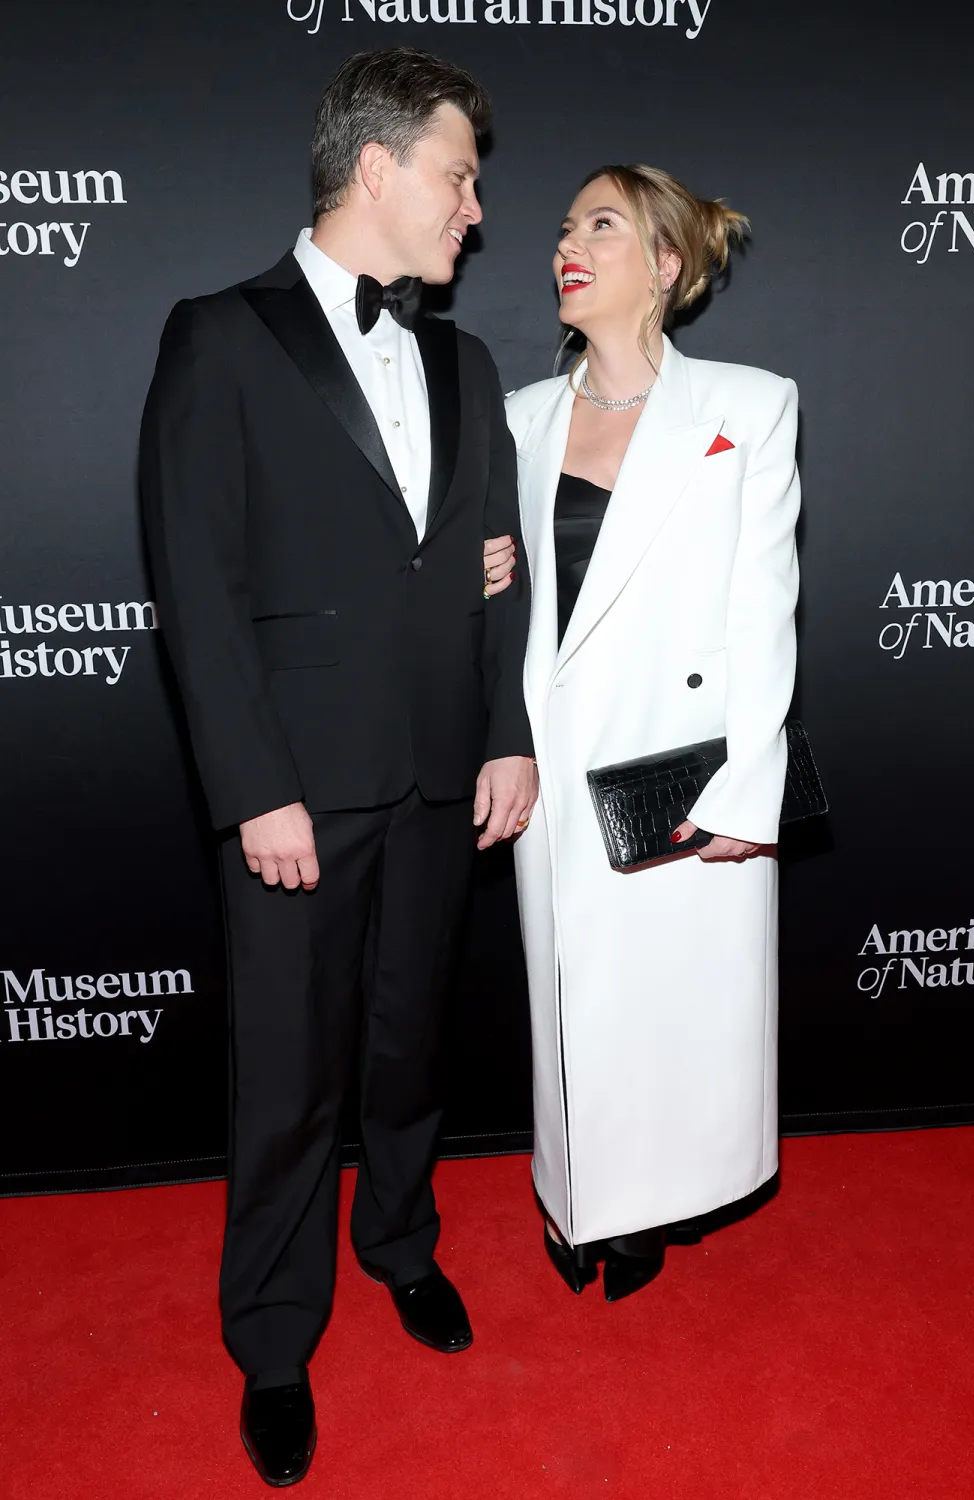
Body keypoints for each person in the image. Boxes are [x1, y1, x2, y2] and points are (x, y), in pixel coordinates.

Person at [140, 49, 536, 1487]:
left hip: (439, 774)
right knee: (289, 1077)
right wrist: (255, 788)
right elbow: (197, 582)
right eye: (457, 177)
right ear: (376, 168)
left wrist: (506, 731)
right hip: (296, 791)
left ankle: (401, 1243)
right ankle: (272, 1340)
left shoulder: (466, 362)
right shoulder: (220, 337)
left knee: (408, 1044)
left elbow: (499, 572)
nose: (476, 211)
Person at [494, 163, 799, 1303]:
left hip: (682, 765)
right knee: (573, 1000)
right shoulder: (517, 418)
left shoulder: (748, 406)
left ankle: (655, 1203)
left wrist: (747, 793)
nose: (567, 246)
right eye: (565, 227)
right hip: (555, 762)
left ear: (666, 264)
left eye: (602, 226)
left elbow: (762, 611)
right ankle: (578, 1200)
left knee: (675, 1001)